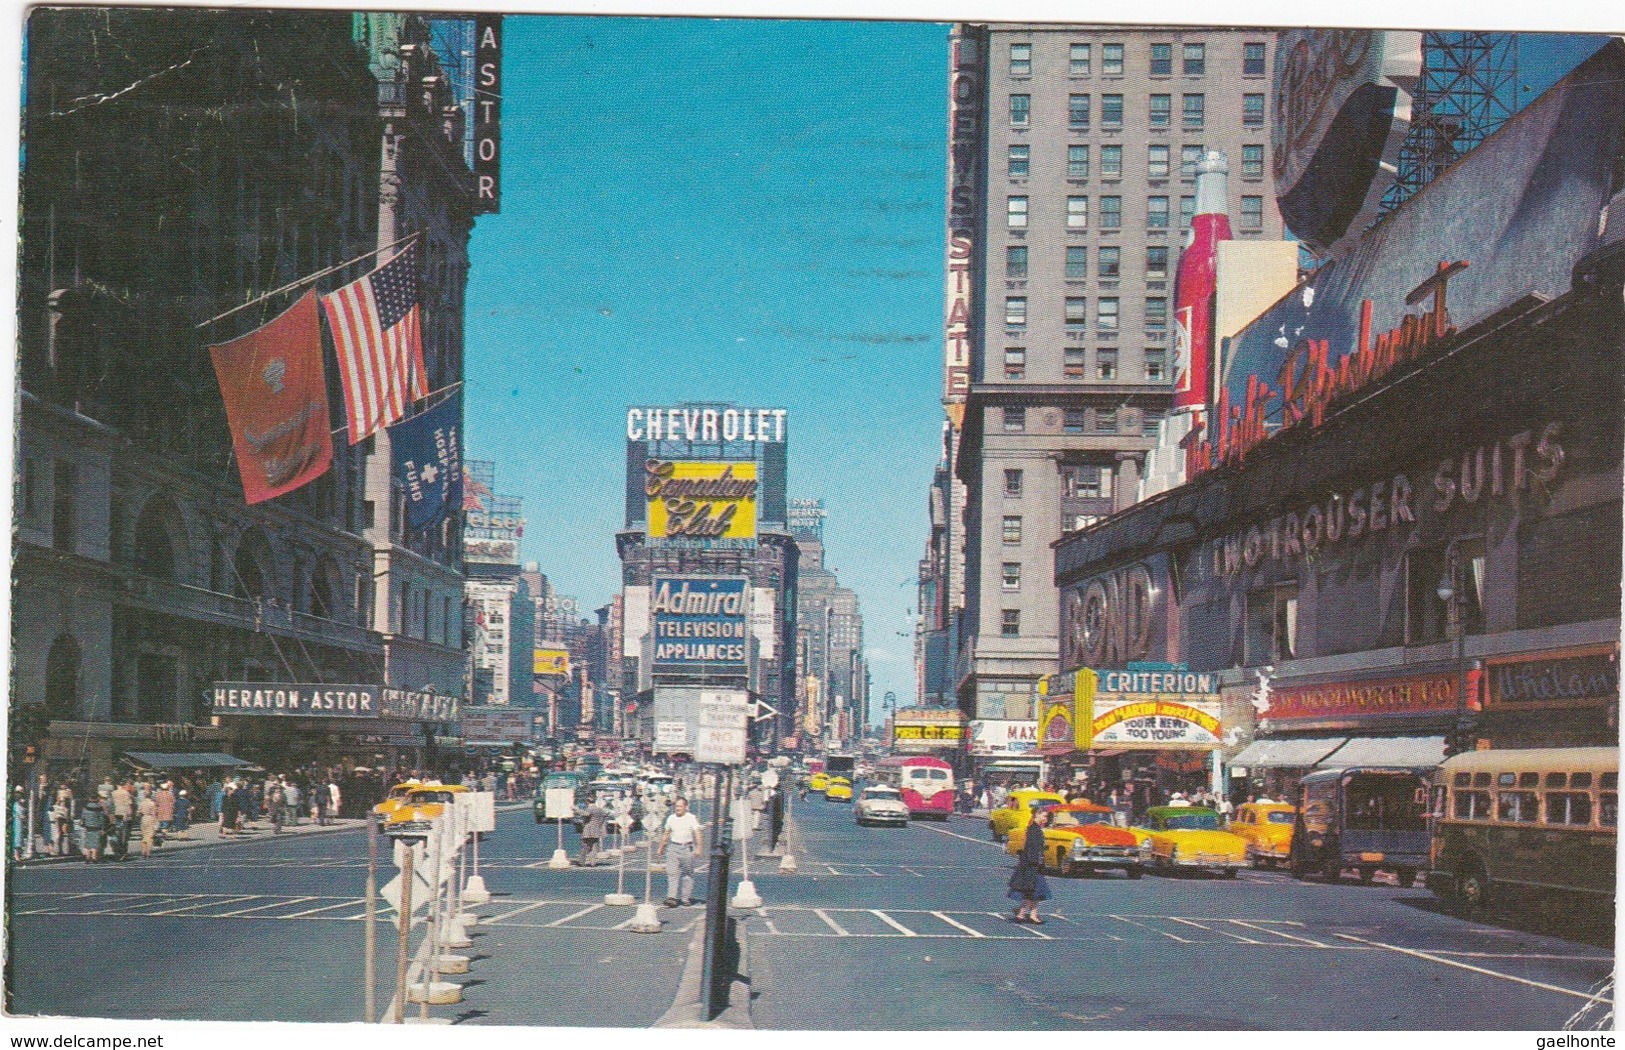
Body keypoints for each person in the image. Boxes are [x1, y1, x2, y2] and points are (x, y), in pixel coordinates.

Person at [656, 796, 704, 907]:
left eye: (680, 806)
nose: (678, 808)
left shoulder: (691, 818)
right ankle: (671, 897)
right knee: (672, 873)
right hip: (673, 848)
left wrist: (699, 847)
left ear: (685, 807)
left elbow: (697, 832)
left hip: (687, 848)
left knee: (687, 874)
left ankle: (685, 898)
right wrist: (661, 848)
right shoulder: (671, 818)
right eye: (676, 806)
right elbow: (666, 833)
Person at [1008, 805, 1052, 924]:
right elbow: (1032, 849)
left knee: (1034, 890)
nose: (1046, 818)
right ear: (1037, 815)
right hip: (1032, 866)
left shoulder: (1035, 828)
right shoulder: (1034, 830)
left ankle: (1026, 914)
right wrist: (1037, 862)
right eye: (1044, 816)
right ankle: (1026, 914)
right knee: (1034, 890)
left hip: (1032, 865)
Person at [579, 799, 607, 865]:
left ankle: (582, 862)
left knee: (584, 845)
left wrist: (576, 809)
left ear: (587, 802)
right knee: (594, 846)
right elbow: (604, 816)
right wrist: (599, 824)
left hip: (588, 829)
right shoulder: (599, 809)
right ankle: (593, 862)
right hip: (596, 829)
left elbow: (586, 814)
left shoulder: (590, 808)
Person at [80, 796, 106, 863]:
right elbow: (102, 819)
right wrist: (102, 828)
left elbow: (83, 817)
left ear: (89, 799)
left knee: (88, 842)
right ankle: (94, 858)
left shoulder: (85, 808)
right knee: (95, 842)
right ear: (97, 799)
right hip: (96, 827)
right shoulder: (99, 808)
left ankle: (87, 857)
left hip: (88, 827)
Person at [138, 793, 158, 858]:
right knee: (150, 837)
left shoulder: (141, 803)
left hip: (143, 819)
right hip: (150, 818)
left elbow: (138, 813)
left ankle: (143, 851)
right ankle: (148, 852)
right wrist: (156, 824)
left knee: (144, 835)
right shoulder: (152, 803)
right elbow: (154, 814)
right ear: (150, 796)